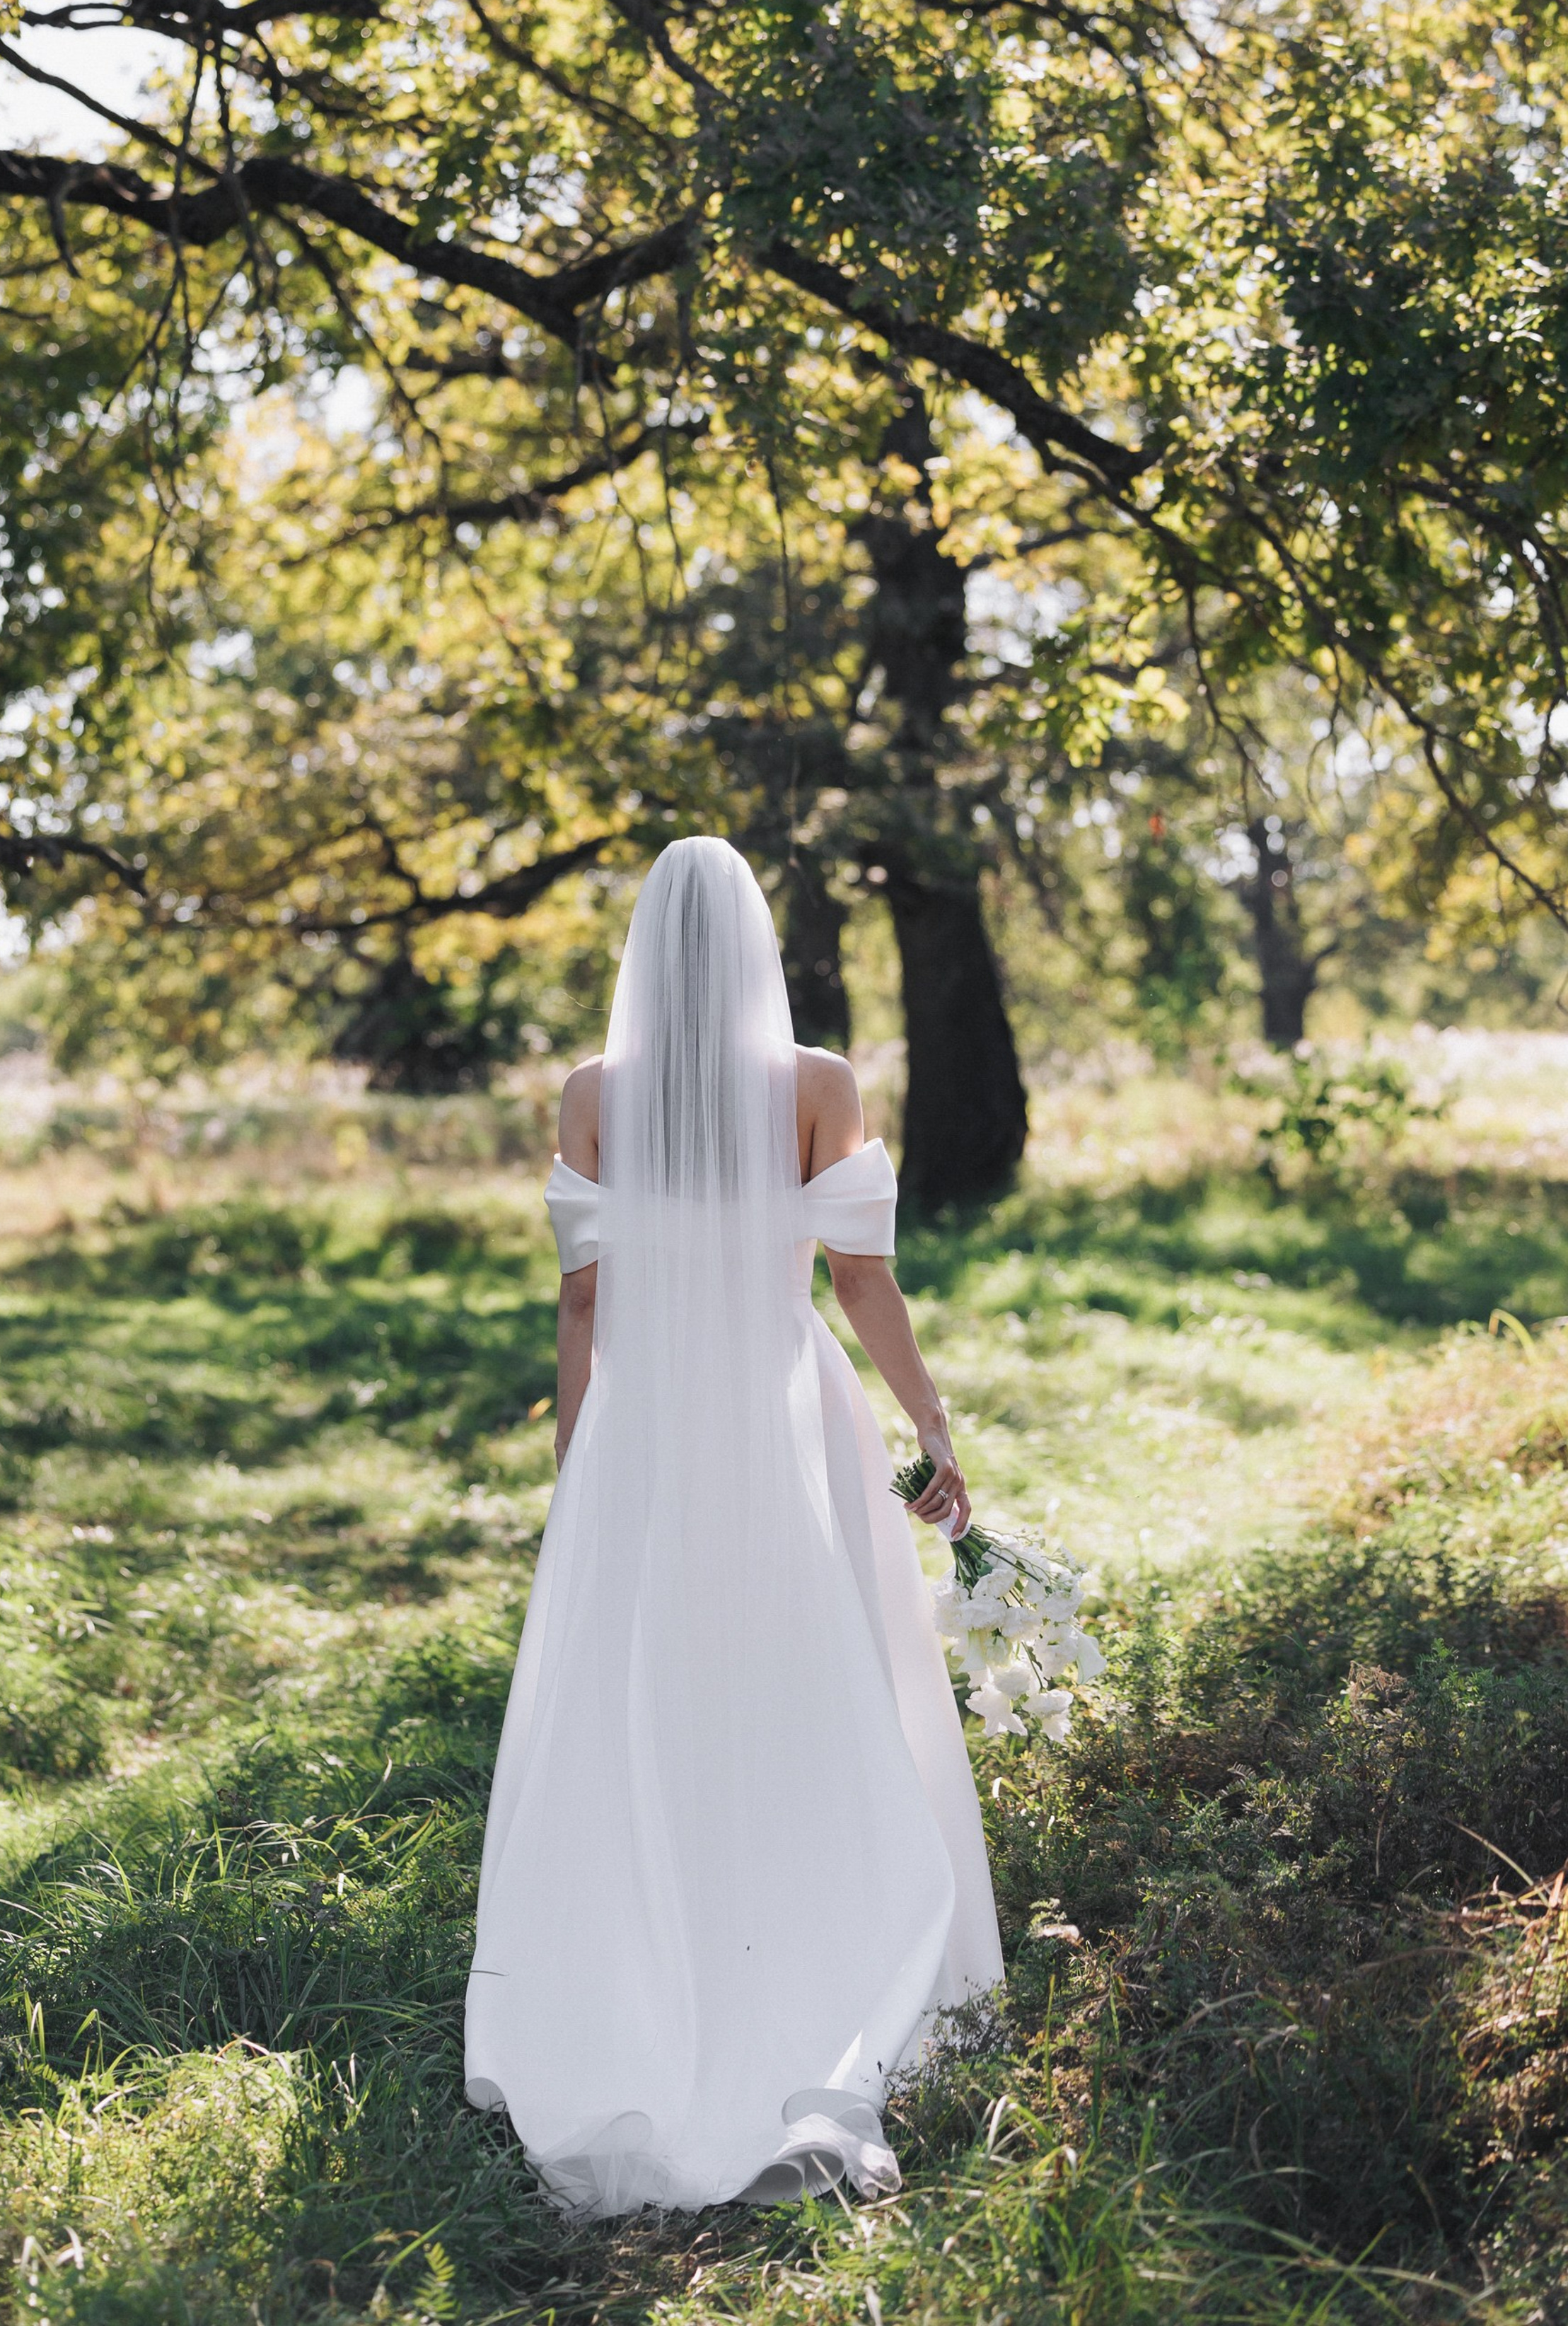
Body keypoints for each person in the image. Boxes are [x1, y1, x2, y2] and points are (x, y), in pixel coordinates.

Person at [465, 837, 1001, 2214]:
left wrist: (582, 1472)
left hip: (648, 1420)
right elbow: (863, 1284)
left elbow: (581, 1308)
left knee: (648, 1686)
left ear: (645, 953)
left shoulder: (591, 1095)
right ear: (756, 947)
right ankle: (818, 1951)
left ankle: (648, 1961)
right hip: (782, 1413)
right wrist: (931, 1426)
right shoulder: (816, 1086)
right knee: (808, 1678)